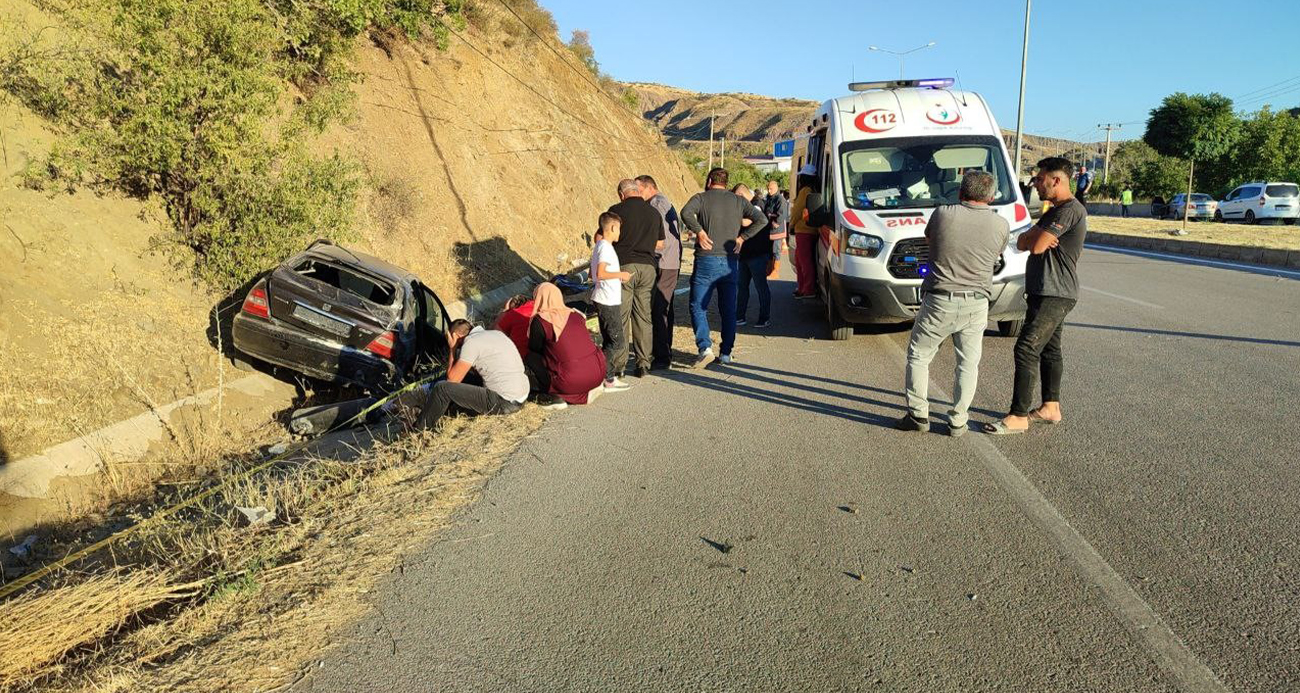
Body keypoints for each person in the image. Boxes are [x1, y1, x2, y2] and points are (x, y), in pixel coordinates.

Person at [895, 171, 1009, 437]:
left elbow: (929, 239)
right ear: (991, 197)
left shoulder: (943, 214)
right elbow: (998, 252)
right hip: (977, 302)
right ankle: (958, 421)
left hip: (940, 300)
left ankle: (918, 414)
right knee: (967, 364)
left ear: (960, 193)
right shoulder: (1001, 224)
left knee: (919, 356)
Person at [987, 157, 1088, 435]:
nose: (1036, 184)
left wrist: (1035, 238)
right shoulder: (1053, 212)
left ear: (1056, 180)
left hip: (1055, 292)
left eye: (1040, 179)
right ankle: (1050, 408)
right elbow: (1022, 242)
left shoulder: (1069, 210)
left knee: (1026, 348)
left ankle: (1018, 416)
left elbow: (1038, 246)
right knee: (1050, 350)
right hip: (1045, 290)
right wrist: (1034, 237)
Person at [680, 167, 769, 368]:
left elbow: (685, 213)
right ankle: (726, 353)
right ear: (726, 183)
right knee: (728, 308)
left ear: (709, 181)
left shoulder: (701, 198)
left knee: (698, 305)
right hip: (730, 261)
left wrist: (699, 232)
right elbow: (762, 219)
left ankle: (705, 348)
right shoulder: (738, 201)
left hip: (706, 258)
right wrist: (742, 238)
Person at [415, 319, 529, 431]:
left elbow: (451, 381)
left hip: (504, 402)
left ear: (455, 335)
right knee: (466, 377)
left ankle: (420, 429)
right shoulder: (496, 334)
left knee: (442, 388)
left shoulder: (471, 343)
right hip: (521, 395)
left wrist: (452, 348)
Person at [607, 179, 663, 378]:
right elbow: (661, 244)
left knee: (622, 315)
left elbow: (607, 237)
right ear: (637, 191)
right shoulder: (654, 212)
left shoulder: (616, 211)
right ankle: (643, 364)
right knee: (643, 316)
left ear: (621, 194)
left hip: (624, 267)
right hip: (648, 267)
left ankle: (619, 365)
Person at [527, 283, 607, 408]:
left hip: (570, 381)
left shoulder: (541, 321)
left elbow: (534, 348)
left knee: (531, 358)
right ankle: (587, 387)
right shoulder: (575, 314)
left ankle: (553, 395)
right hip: (599, 373)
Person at [636, 174, 681, 371]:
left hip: (664, 262)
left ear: (650, 188)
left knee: (659, 309)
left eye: (639, 190)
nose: (637, 195)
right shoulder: (663, 202)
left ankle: (662, 356)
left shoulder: (656, 205)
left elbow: (661, 240)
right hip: (669, 261)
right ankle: (664, 351)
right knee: (664, 309)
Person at [590, 211, 632, 391]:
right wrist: (621, 274)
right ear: (613, 227)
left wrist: (617, 277)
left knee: (610, 340)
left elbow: (593, 274)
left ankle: (606, 376)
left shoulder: (600, 246)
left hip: (605, 297)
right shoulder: (606, 248)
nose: (620, 233)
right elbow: (600, 273)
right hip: (607, 300)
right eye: (619, 229)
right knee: (616, 341)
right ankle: (605, 377)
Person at [732, 184, 773, 328]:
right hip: (745, 254)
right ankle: (739, 316)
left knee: (761, 287)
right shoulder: (750, 204)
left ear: (741, 195)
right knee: (742, 286)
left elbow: (747, 222)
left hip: (758, 254)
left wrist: (732, 215)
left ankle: (764, 317)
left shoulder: (757, 204)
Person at [789, 164, 820, 298]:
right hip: (811, 229)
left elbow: (797, 211)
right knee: (801, 259)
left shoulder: (805, 191)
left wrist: (791, 225)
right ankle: (802, 288)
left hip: (803, 230)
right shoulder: (813, 189)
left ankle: (807, 289)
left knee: (804, 261)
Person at [762, 179, 789, 281]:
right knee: (769, 250)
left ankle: (775, 271)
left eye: (771, 189)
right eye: (768, 189)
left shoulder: (780, 199)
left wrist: (776, 222)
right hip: (769, 228)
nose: (769, 191)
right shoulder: (769, 198)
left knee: (776, 250)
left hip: (777, 229)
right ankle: (769, 270)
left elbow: (782, 213)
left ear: (776, 188)